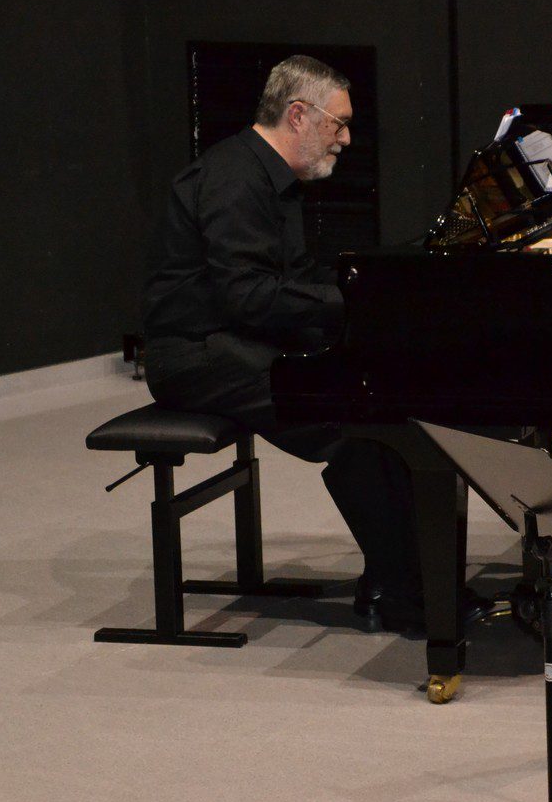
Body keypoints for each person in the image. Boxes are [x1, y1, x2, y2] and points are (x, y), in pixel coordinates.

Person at [142, 55, 449, 633]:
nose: (347, 138)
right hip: (194, 354)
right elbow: (248, 298)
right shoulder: (235, 180)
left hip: (234, 339)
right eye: (340, 124)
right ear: (299, 115)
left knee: (380, 395)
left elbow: (294, 283)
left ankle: (402, 579)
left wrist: (365, 318)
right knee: (354, 416)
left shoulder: (271, 179)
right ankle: (407, 593)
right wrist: (357, 307)